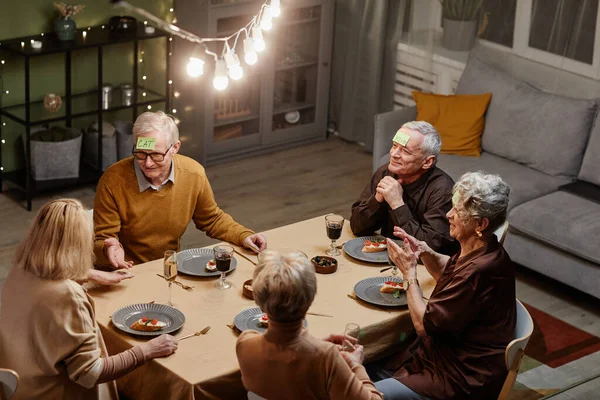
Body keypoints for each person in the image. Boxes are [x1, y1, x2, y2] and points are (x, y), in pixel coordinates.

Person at [0, 199, 178, 399]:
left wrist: (90, 274)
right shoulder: (67, 296)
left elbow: (50, 270)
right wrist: (147, 350)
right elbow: (90, 372)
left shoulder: (21, 268)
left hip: (18, 387)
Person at [373, 171, 516, 400]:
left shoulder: (481, 270)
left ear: (480, 223)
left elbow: (422, 325)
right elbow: (450, 268)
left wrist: (409, 273)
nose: (448, 215)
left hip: (458, 376)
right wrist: (425, 251)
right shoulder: (483, 248)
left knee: (363, 391)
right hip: (444, 355)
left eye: (457, 212)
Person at [93, 111, 267, 270]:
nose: (147, 163)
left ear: (175, 148)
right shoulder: (113, 181)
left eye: (156, 155)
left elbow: (212, 219)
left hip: (169, 266)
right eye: (140, 153)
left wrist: (243, 236)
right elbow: (102, 239)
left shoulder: (193, 173)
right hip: (125, 270)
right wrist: (108, 248)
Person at [236, 251, 383, 400]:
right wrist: (355, 366)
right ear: (310, 299)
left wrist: (316, 345)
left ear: (259, 302)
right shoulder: (326, 358)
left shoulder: (245, 343)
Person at [350, 121, 457, 255]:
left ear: (427, 162)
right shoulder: (385, 173)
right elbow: (356, 227)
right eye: (394, 145)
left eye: (405, 151)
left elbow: (430, 250)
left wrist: (397, 204)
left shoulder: (443, 190)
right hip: (388, 256)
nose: (394, 154)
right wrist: (377, 199)